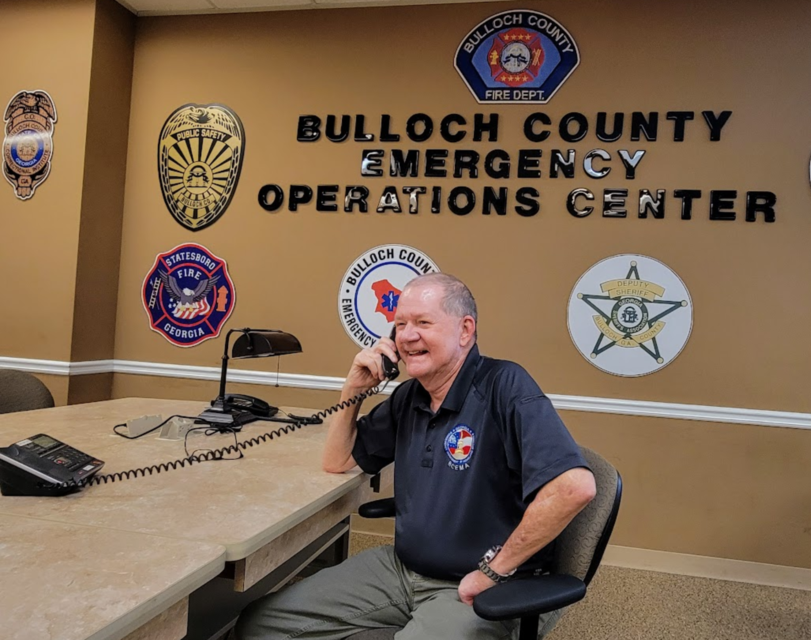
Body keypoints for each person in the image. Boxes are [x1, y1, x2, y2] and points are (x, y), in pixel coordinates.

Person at [235, 273, 596, 640]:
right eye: (400, 324)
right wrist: (353, 390)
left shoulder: (505, 386)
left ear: (465, 331)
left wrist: (492, 572)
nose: (407, 336)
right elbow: (337, 461)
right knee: (262, 625)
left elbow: (574, 487)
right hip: (400, 570)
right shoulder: (410, 396)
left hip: (481, 586)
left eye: (423, 323)